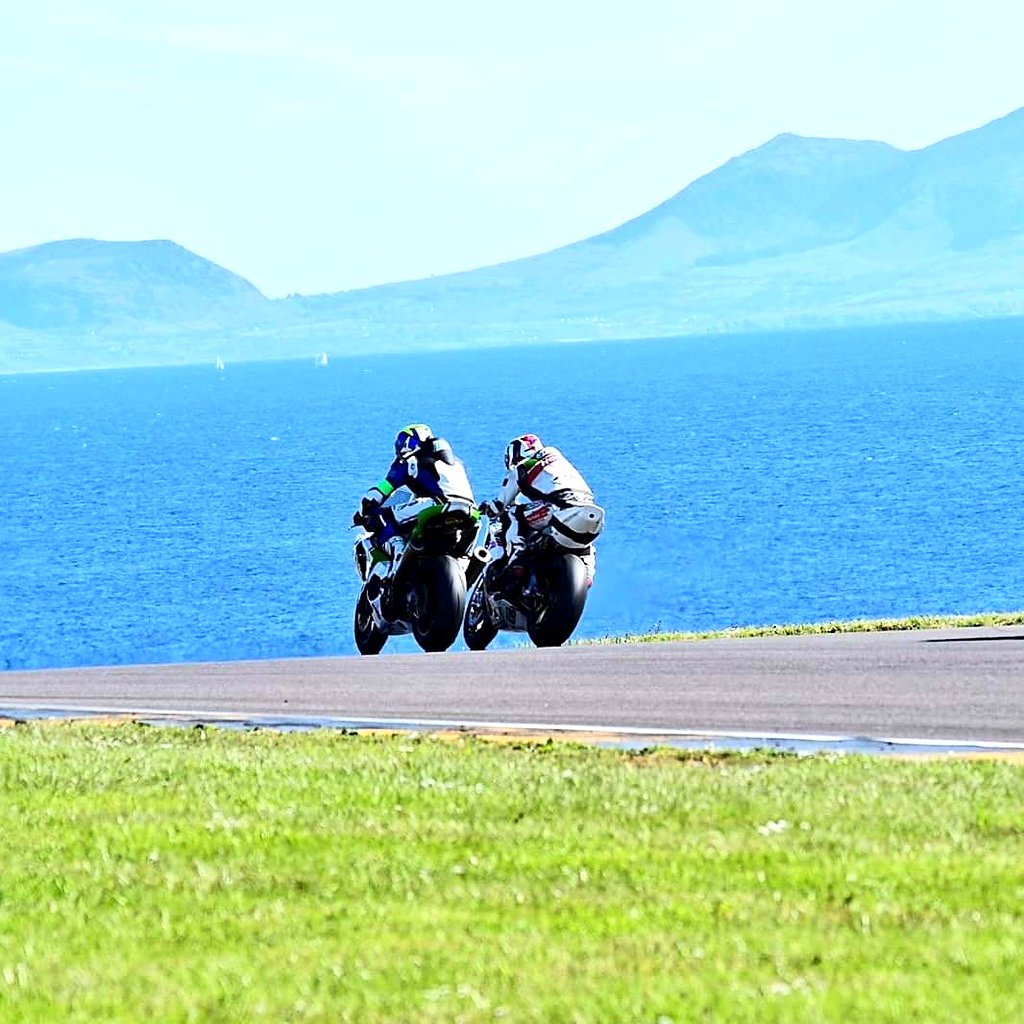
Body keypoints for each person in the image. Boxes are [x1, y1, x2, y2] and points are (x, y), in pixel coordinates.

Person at [479, 433, 602, 592]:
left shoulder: (524, 466)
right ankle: (587, 575)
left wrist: (489, 508)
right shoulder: (562, 464)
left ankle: (515, 558)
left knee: (512, 514)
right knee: (586, 544)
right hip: (592, 513)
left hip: (559, 508)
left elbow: (500, 505)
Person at [353, 423, 475, 556]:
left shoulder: (410, 461)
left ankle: (398, 553)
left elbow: (383, 488)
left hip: (438, 504)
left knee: (383, 517)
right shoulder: (458, 463)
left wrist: (364, 509)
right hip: (470, 509)